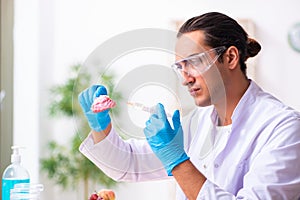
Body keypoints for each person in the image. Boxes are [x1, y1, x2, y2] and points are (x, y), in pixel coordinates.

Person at [78, 12, 300, 199]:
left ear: (231, 57)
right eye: (180, 67)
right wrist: (101, 127)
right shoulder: (198, 122)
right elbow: (129, 164)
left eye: (194, 62)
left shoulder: (283, 128)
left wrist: (177, 162)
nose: (185, 78)